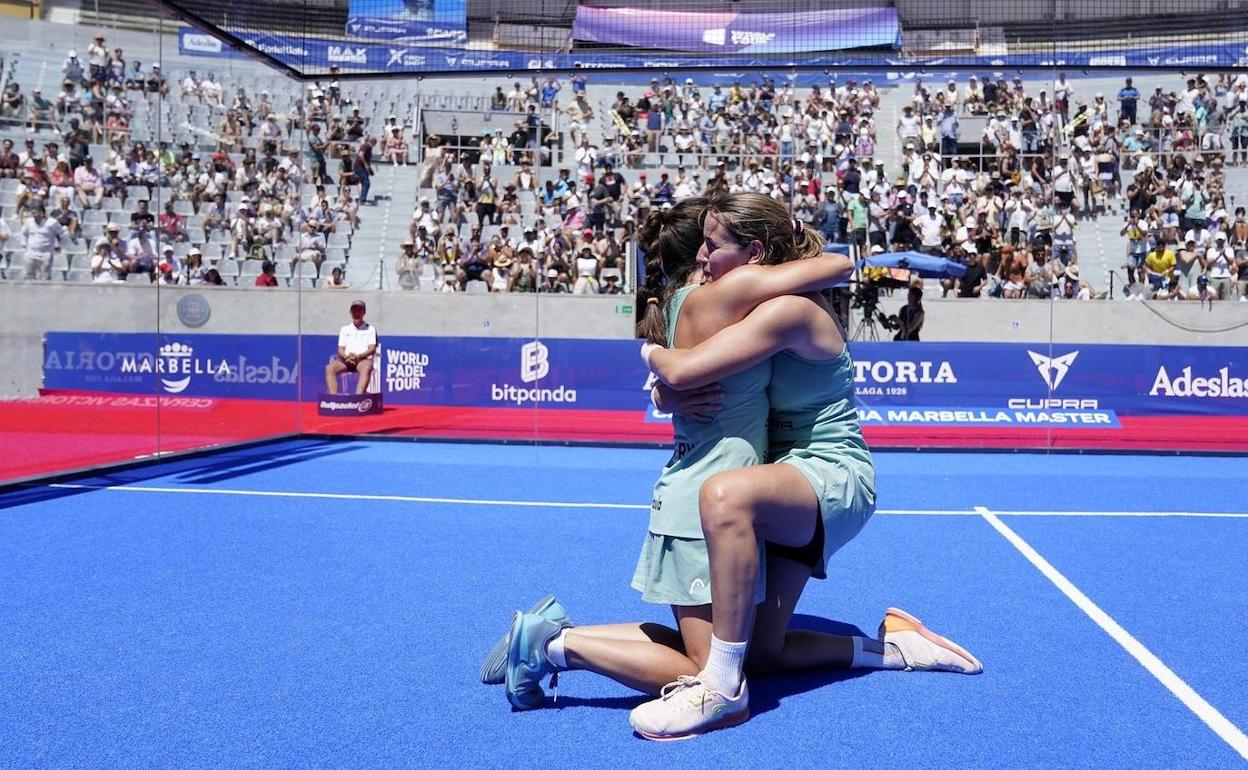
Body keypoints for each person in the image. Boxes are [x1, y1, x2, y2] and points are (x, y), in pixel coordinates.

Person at [630, 196, 979, 739]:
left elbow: (686, 367)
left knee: (724, 497)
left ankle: (720, 688)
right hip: (783, 476)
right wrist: (667, 396)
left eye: (713, 245)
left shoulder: (786, 311)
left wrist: (650, 357)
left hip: (828, 471)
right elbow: (697, 382)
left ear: (756, 253)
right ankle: (896, 649)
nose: (700, 257)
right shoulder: (758, 302)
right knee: (764, 652)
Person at [325, 300, 377, 395]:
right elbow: (340, 349)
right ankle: (333, 399)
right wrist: (346, 357)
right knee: (329, 368)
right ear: (350, 312)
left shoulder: (370, 329)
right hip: (346, 360)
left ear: (364, 312)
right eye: (354, 310)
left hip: (362, 360)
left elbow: (372, 348)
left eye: (359, 310)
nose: (356, 313)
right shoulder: (345, 329)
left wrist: (359, 356)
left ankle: (358, 398)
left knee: (366, 367)